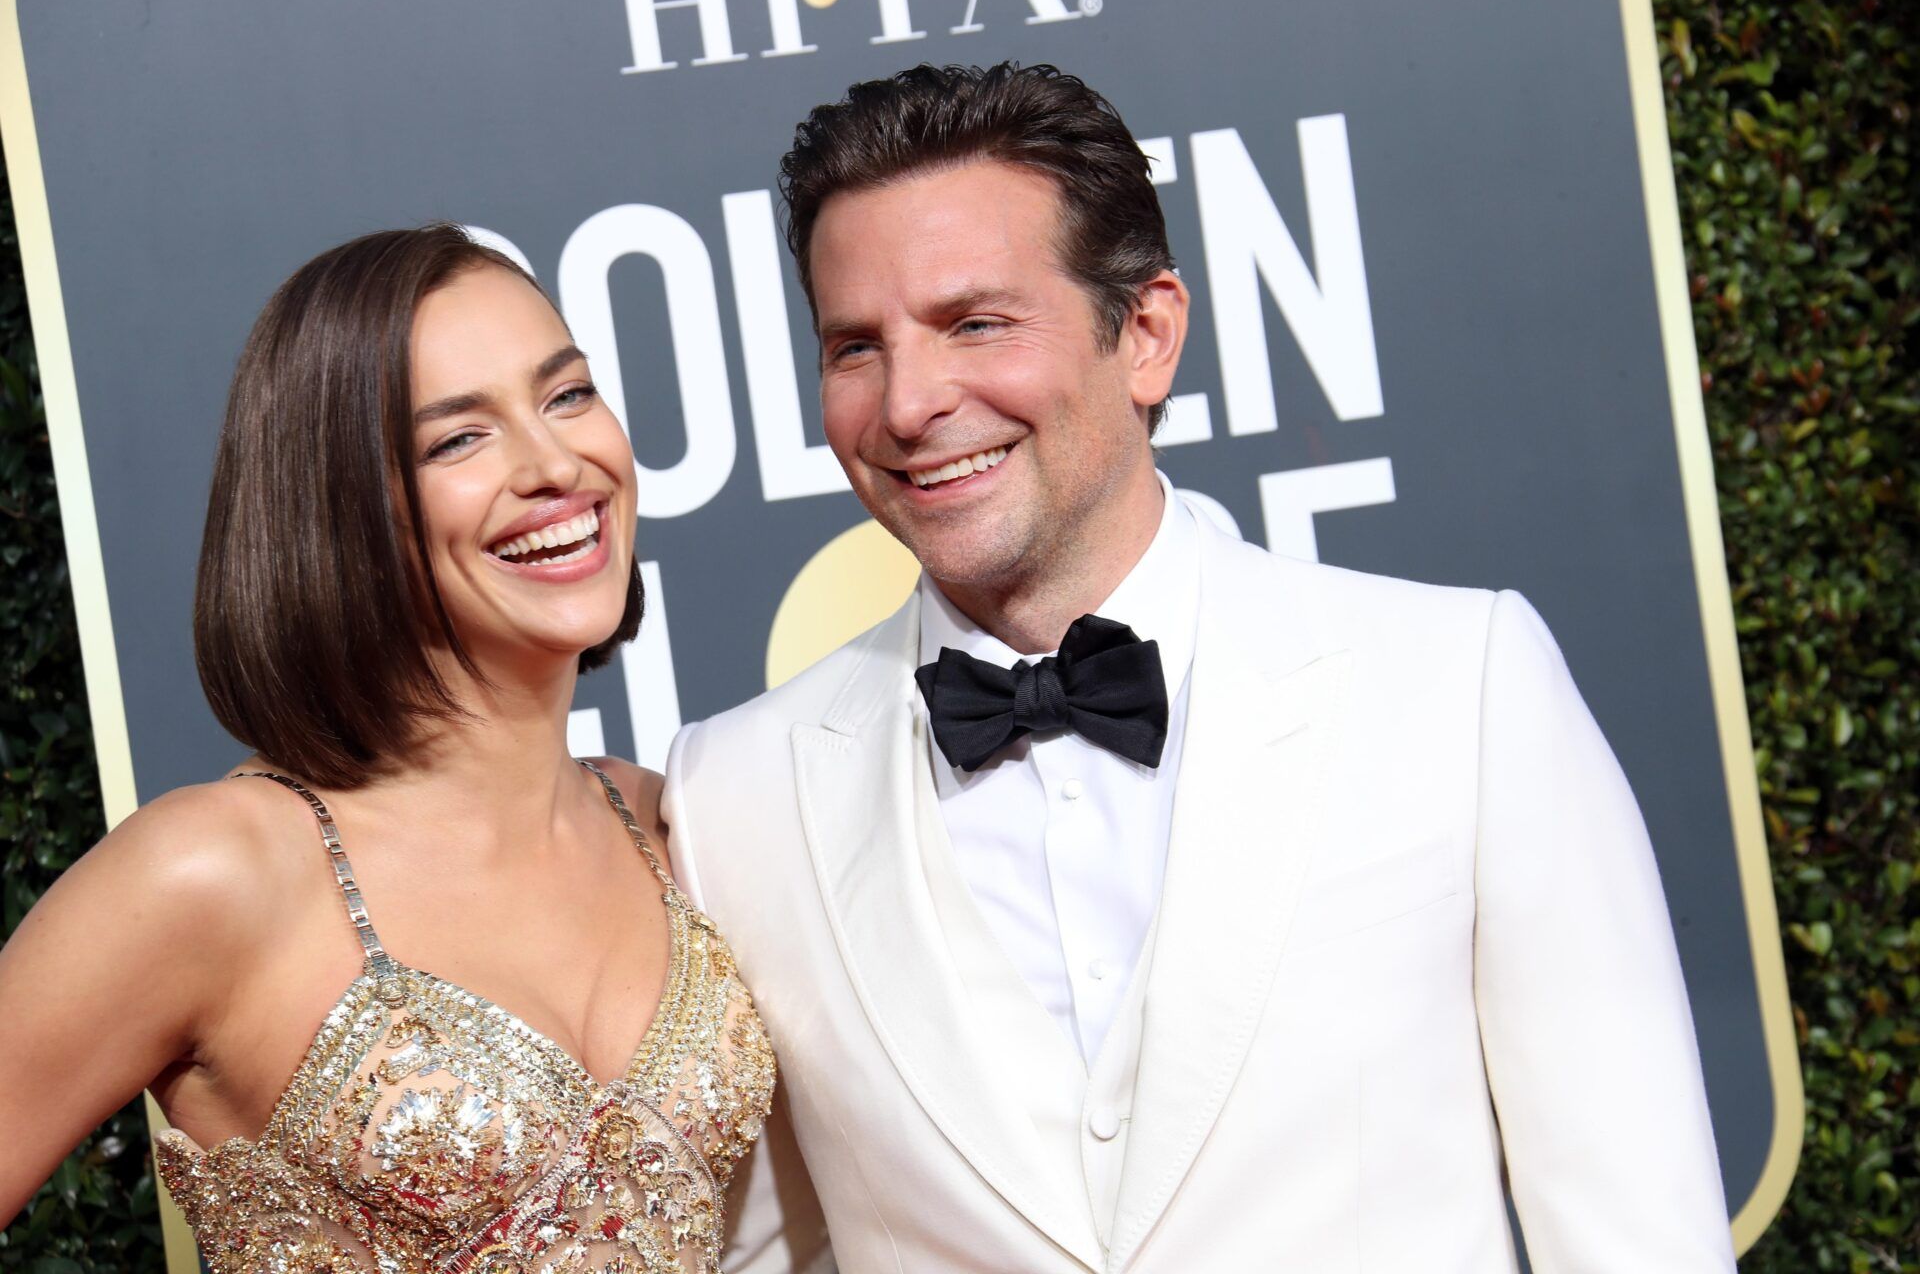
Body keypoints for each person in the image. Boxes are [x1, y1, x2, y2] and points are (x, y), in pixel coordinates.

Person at [664, 63, 1737, 1271]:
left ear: (1149, 334)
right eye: (856, 346)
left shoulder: (1460, 686)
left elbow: (1643, 1240)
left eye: (976, 322)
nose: (909, 402)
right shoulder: (731, 792)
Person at [0, 225, 775, 1272]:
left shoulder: (663, 822)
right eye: (458, 439)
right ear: (339, 509)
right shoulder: (214, 872)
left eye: (568, 394)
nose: (555, 463)